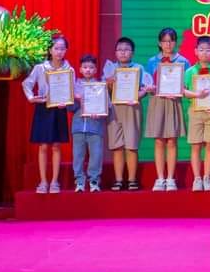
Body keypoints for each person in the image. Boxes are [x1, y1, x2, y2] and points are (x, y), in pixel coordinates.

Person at [21, 35, 72, 194]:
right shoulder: (40, 68)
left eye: (62, 48)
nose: (59, 52)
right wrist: (31, 98)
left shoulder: (69, 70)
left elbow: (70, 91)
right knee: (43, 146)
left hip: (59, 109)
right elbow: (27, 83)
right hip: (43, 108)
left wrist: (67, 102)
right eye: (56, 48)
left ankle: (54, 182)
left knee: (56, 145)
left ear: (66, 50)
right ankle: (43, 182)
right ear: (50, 50)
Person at [103, 37, 152, 191]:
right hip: (114, 110)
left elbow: (146, 89)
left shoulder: (139, 68)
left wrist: (138, 96)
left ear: (132, 52)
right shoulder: (110, 69)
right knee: (117, 146)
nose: (123, 52)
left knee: (131, 145)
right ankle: (118, 179)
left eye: (126, 49)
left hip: (132, 109)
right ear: (115, 52)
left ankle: (132, 179)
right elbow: (102, 91)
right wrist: (108, 84)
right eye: (120, 50)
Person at [146, 28, 190, 192]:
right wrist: (150, 88)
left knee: (172, 140)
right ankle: (160, 178)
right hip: (157, 103)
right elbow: (148, 84)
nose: (168, 44)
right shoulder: (152, 61)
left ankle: (170, 178)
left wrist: (180, 90)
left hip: (173, 103)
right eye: (164, 41)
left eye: (171, 41)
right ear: (159, 43)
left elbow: (186, 86)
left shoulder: (183, 61)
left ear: (175, 42)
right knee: (159, 140)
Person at [182, 36, 210, 191]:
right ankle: (197, 178)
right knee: (196, 145)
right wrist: (197, 95)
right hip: (195, 111)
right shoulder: (189, 71)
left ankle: (207, 178)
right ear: (196, 51)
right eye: (201, 50)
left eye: (208, 50)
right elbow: (183, 91)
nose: (204, 53)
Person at [70, 54, 106, 192]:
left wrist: (99, 112)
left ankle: (94, 181)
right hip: (78, 127)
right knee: (78, 156)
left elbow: (107, 106)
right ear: (80, 69)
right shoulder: (74, 86)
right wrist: (75, 99)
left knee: (96, 155)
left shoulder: (100, 86)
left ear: (95, 70)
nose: (88, 70)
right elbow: (70, 108)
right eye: (85, 67)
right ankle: (79, 182)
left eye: (91, 67)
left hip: (95, 127)